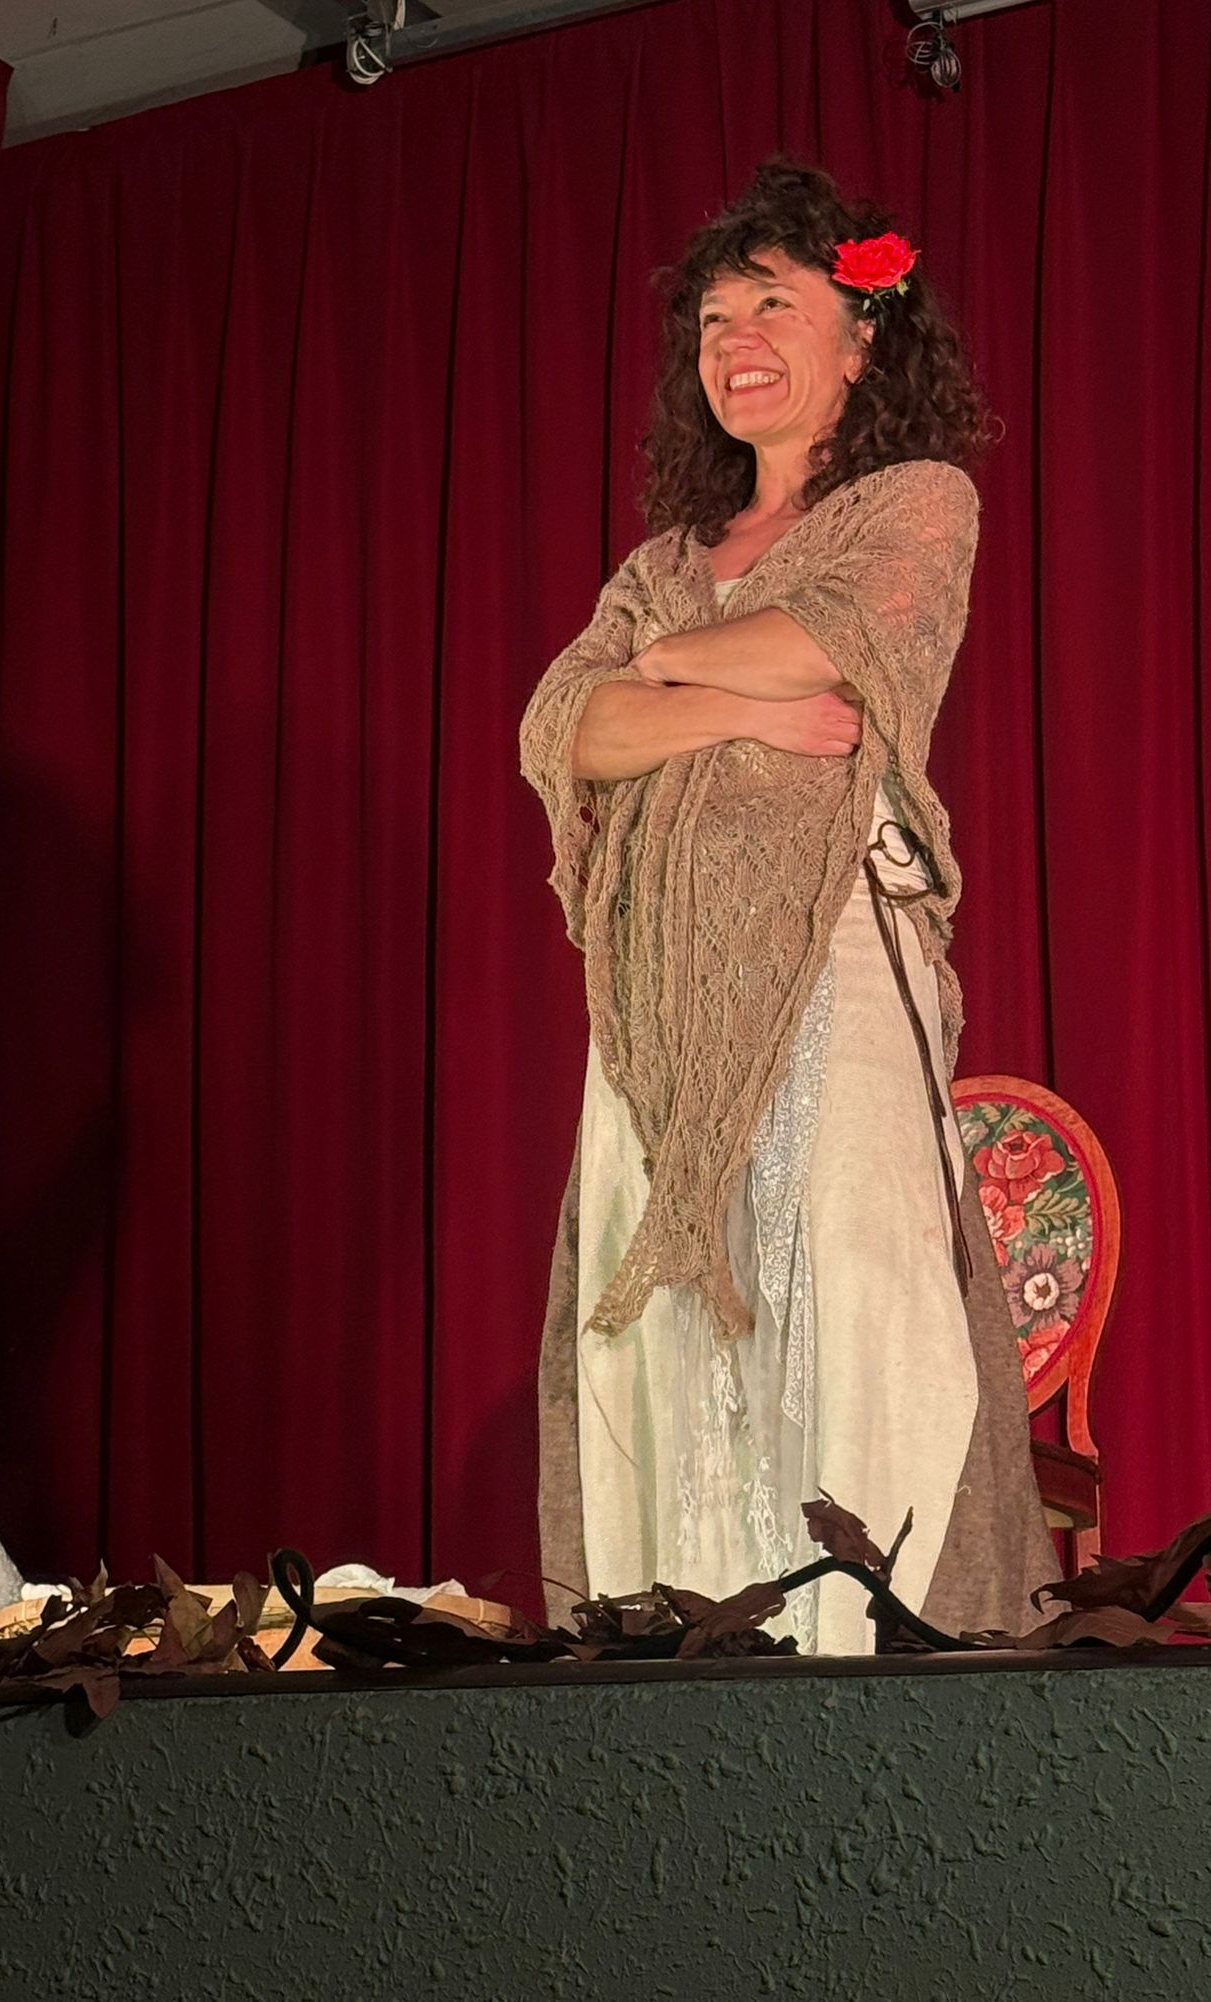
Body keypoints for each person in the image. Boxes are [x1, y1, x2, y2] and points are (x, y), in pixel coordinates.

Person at [519, 158, 1057, 1655]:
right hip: (657, 1004)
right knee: (666, 1326)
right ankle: (687, 1643)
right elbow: (561, 724)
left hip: (831, 965)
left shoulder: (913, 505)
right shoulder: (659, 567)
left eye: (772, 304)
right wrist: (726, 705)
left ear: (864, 335)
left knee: (854, 1294)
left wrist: (660, 670)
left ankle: (869, 1652)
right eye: (711, 317)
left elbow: (821, 645)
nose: (734, 339)